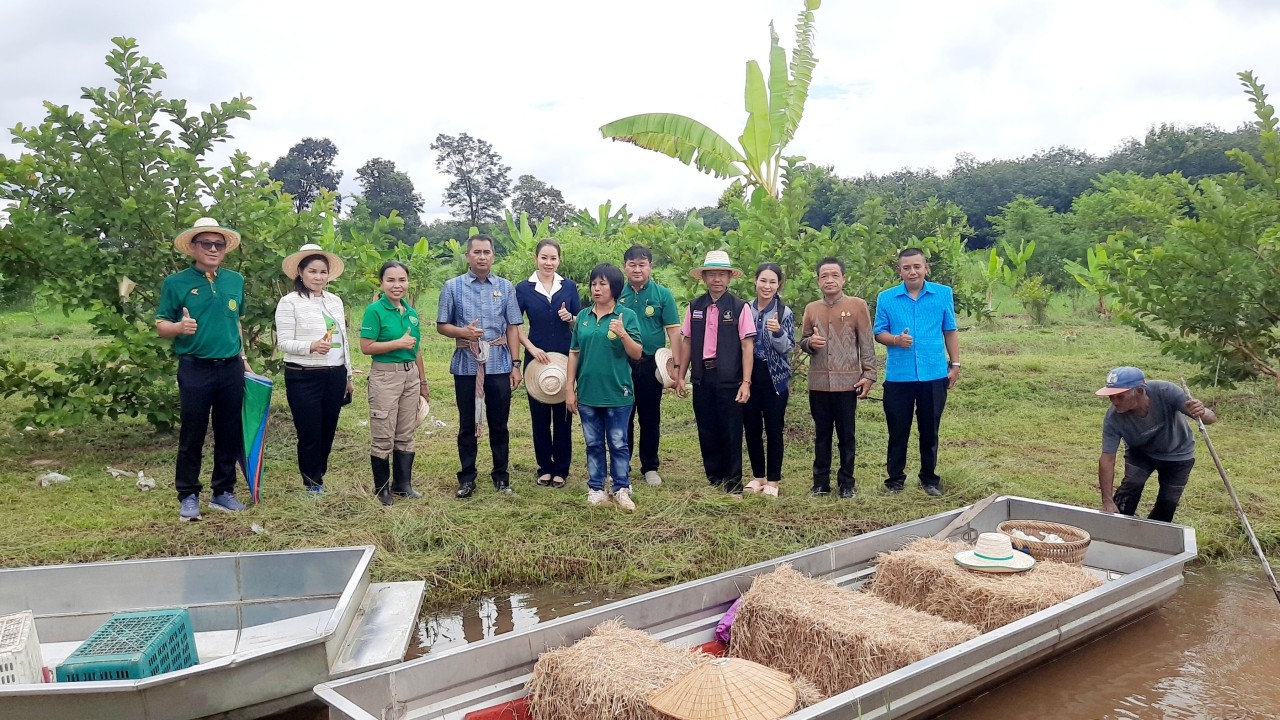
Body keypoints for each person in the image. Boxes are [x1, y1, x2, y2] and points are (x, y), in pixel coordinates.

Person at [155, 217, 251, 521]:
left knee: (229, 432)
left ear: (225, 249)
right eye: (205, 243)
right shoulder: (176, 283)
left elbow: (236, 322)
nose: (212, 248)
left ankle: (223, 492)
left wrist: (244, 360)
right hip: (195, 367)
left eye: (218, 244)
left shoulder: (235, 280)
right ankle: (188, 495)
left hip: (231, 367)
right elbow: (160, 325)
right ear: (193, 247)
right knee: (193, 432)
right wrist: (179, 327)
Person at [436, 234, 523, 499]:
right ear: (468, 256)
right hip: (466, 365)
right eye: (477, 252)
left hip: (498, 362)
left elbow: (512, 326)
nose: (482, 257)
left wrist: (516, 365)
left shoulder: (506, 287)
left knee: (499, 423)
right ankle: (467, 477)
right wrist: (462, 331)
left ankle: (501, 476)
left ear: (493, 256)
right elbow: (441, 325)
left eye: (487, 252)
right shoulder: (452, 287)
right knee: (466, 424)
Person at [874, 248, 959, 497]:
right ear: (899, 271)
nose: (912, 271)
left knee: (930, 429)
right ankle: (895, 480)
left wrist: (955, 365)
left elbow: (950, 330)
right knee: (897, 430)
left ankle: (929, 479)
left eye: (916, 266)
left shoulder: (942, 294)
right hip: (899, 377)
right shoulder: (887, 298)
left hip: (933, 374)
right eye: (906, 267)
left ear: (926, 268)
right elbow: (879, 332)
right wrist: (896, 340)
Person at [674, 250, 757, 494]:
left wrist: (746, 382)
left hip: (730, 378)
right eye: (712, 274)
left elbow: (747, 345)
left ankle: (733, 482)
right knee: (706, 428)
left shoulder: (740, 307)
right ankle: (714, 477)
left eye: (722, 274)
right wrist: (681, 375)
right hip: (702, 377)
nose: (717, 279)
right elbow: (687, 341)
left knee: (731, 430)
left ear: (729, 278)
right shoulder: (695, 307)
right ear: (704, 277)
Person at [274, 243, 354, 493]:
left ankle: (319, 474)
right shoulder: (289, 302)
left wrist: (348, 374)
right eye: (312, 271)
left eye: (323, 272)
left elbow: (343, 341)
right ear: (300, 272)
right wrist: (311, 346)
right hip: (303, 375)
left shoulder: (335, 301)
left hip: (335, 373)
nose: (318, 277)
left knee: (328, 428)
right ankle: (311, 482)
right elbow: (283, 342)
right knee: (309, 430)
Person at [564, 264, 643, 510]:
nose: (597, 289)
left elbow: (637, 353)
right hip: (588, 392)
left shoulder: (626, 316)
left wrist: (622, 334)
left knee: (619, 443)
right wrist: (569, 388)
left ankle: (621, 487)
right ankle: (596, 488)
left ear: (614, 287)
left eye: (603, 284)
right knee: (593, 443)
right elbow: (574, 354)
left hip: (618, 393)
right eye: (594, 284)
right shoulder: (584, 317)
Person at [1095, 366, 1216, 523]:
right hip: (1140, 453)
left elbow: (1210, 419)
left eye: (1120, 396)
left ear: (1139, 391)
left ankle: (1154, 537)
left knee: (1168, 501)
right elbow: (1107, 459)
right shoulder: (1113, 418)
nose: (1114, 402)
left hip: (1178, 453)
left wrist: (1202, 411)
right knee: (1130, 486)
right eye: (1111, 397)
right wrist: (1107, 501)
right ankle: (1115, 527)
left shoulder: (1165, 391)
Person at [798, 257, 876, 499]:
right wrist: (810, 343)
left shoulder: (857, 305)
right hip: (818, 384)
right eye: (824, 276)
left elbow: (866, 342)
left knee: (846, 435)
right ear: (818, 280)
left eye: (834, 275)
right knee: (821, 435)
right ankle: (820, 483)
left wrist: (869, 374)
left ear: (844, 278)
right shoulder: (812, 309)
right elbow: (802, 341)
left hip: (847, 382)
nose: (829, 280)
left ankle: (847, 483)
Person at [359, 261, 429, 506]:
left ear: (408, 283)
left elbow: (416, 349)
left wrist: (423, 382)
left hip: (410, 376)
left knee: (406, 432)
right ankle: (382, 490)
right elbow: (366, 347)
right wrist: (397, 344)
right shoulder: (375, 311)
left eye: (402, 280)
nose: (397, 285)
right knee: (383, 435)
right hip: (386, 376)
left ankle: (403, 485)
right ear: (382, 283)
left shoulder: (410, 312)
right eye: (391, 280)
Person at [515, 238, 581, 489]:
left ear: (559, 260)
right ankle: (544, 467)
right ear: (536, 259)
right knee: (539, 416)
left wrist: (570, 317)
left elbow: (581, 322)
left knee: (564, 414)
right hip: (536, 359)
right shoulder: (523, 288)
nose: (549, 262)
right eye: (544, 257)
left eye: (553, 258)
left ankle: (561, 469)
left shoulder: (569, 287)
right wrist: (531, 348)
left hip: (566, 358)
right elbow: (514, 324)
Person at [619, 245, 681, 486]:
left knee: (650, 417)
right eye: (632, 264)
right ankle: (622, 465)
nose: (637, 269)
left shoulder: (662, 295)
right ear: (625, 266)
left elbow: (674, 333)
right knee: (623, 416)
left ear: (650, 267)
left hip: (651, 365)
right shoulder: (616, 293)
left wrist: (676, 366)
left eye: (642, 264)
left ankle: (650, 466)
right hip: (621, 365)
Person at [742, 263, 795, 497]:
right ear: (755, 281)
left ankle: (773, 481)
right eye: (763, 280)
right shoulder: (745, 309)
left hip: (775, 377)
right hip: (749, 375)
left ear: (779, 285)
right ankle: (758, 476)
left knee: (774, 429)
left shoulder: (784, 313)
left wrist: (777, 332)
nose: (767, 286)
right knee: (751, 427)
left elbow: (788, 348)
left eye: (772, 282)